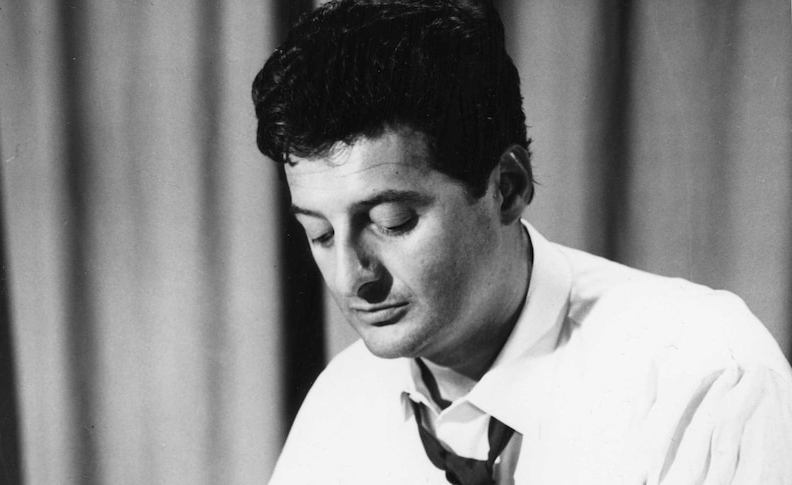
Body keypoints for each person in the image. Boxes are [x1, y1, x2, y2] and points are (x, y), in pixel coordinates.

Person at [251, 0, 792, 483]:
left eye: (391, 221)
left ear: (507, 187)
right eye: (319, 233)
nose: (350, 278)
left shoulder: (707, 378)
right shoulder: (339, 405)